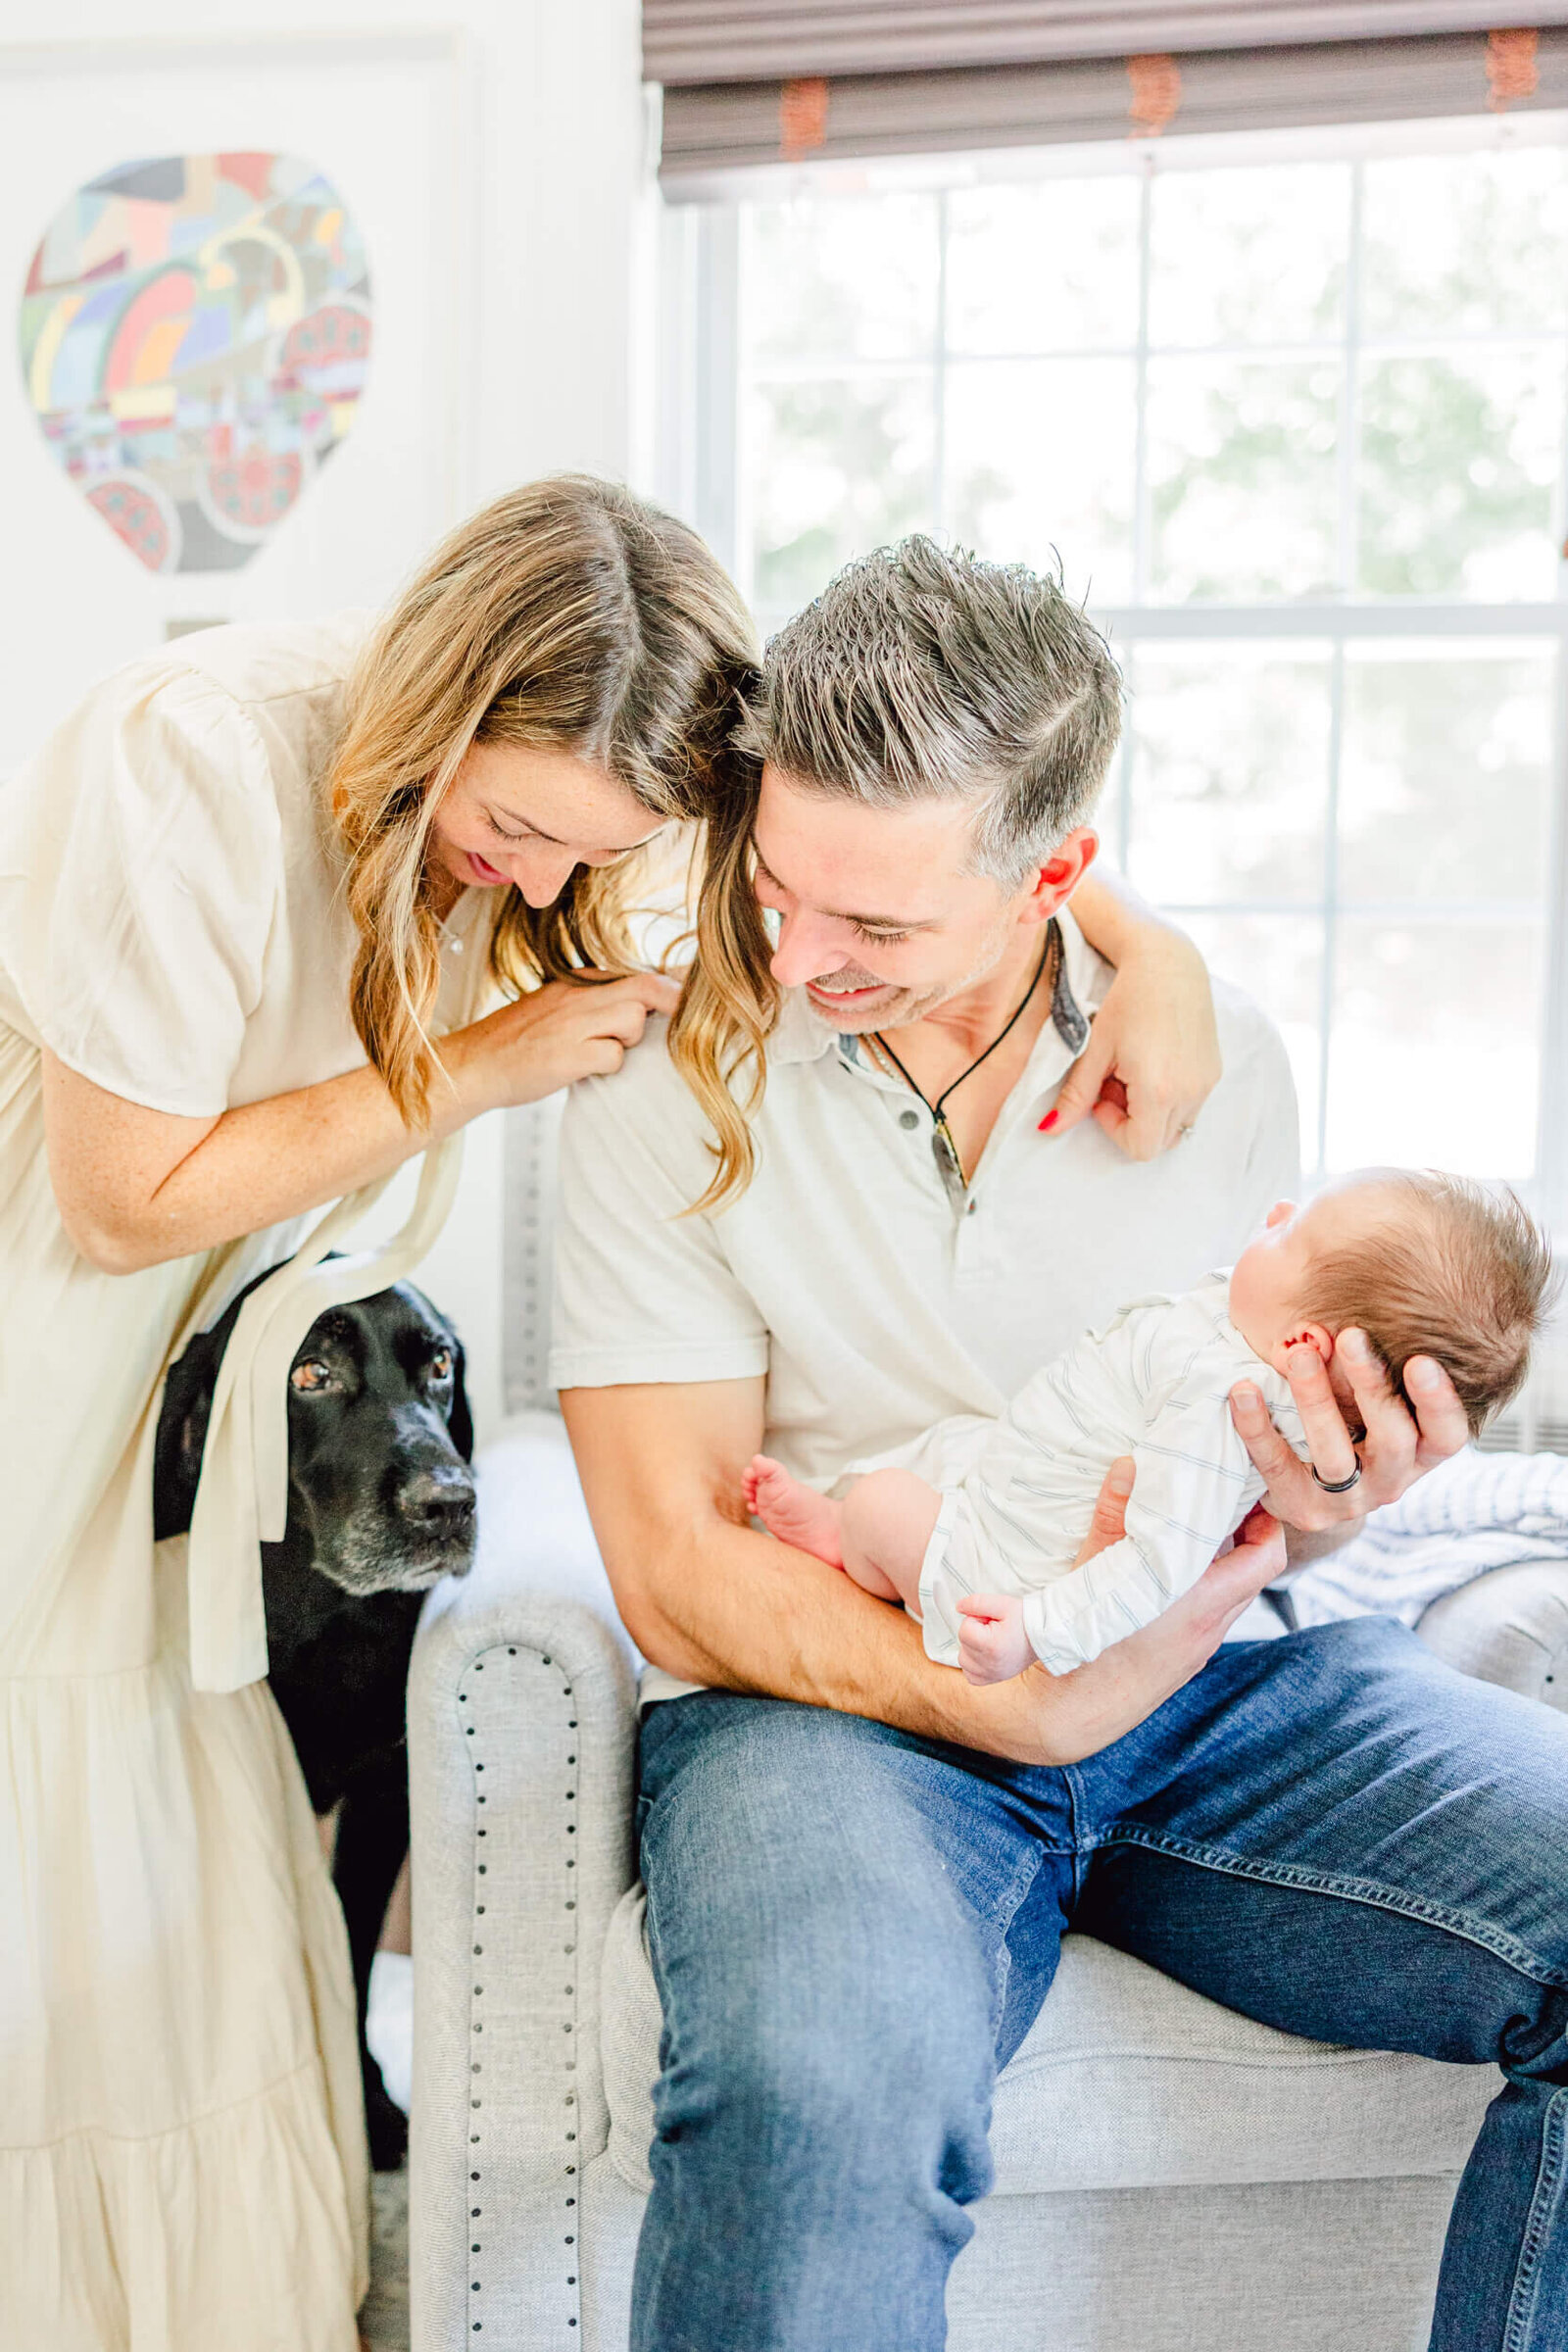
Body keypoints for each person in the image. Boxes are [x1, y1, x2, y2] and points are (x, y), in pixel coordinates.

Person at [0, 478, 1212, 2352]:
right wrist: (470, 1069)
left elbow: (940, 830)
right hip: (48, 1319)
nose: (557, 888)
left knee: (169, 1857)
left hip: (181, 1369)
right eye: (516, 833)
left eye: (606, 852)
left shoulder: (605, 797)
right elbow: (116, 1198)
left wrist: (1149, 948)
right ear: (437, 709)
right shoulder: (192, 757)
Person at [554, 539, 1568, 2352]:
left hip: (1204, 1688)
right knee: (814, 2098)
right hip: (833, 1709)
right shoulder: (663, 1079)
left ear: (1058, 877)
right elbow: (676, 1562)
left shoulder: (1211, 1064)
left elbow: (1227, 1475)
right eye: (781, 887)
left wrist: (1327, 1508)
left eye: (878, 924)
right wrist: (1004, 1708)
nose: (802, 956)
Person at [746, 1169, 1554, 1681]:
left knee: (887, 1500)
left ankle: (848, 1544)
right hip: (1010, 1484)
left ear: (1301, 1345)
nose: (1270, 1210)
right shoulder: (1241, 1331)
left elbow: (1159, 1559)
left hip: (1020, 1576)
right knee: (950, 1445)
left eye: (1287, 1230)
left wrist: (1038, 1629)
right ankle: (870, 1541)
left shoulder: (1221, 1406)